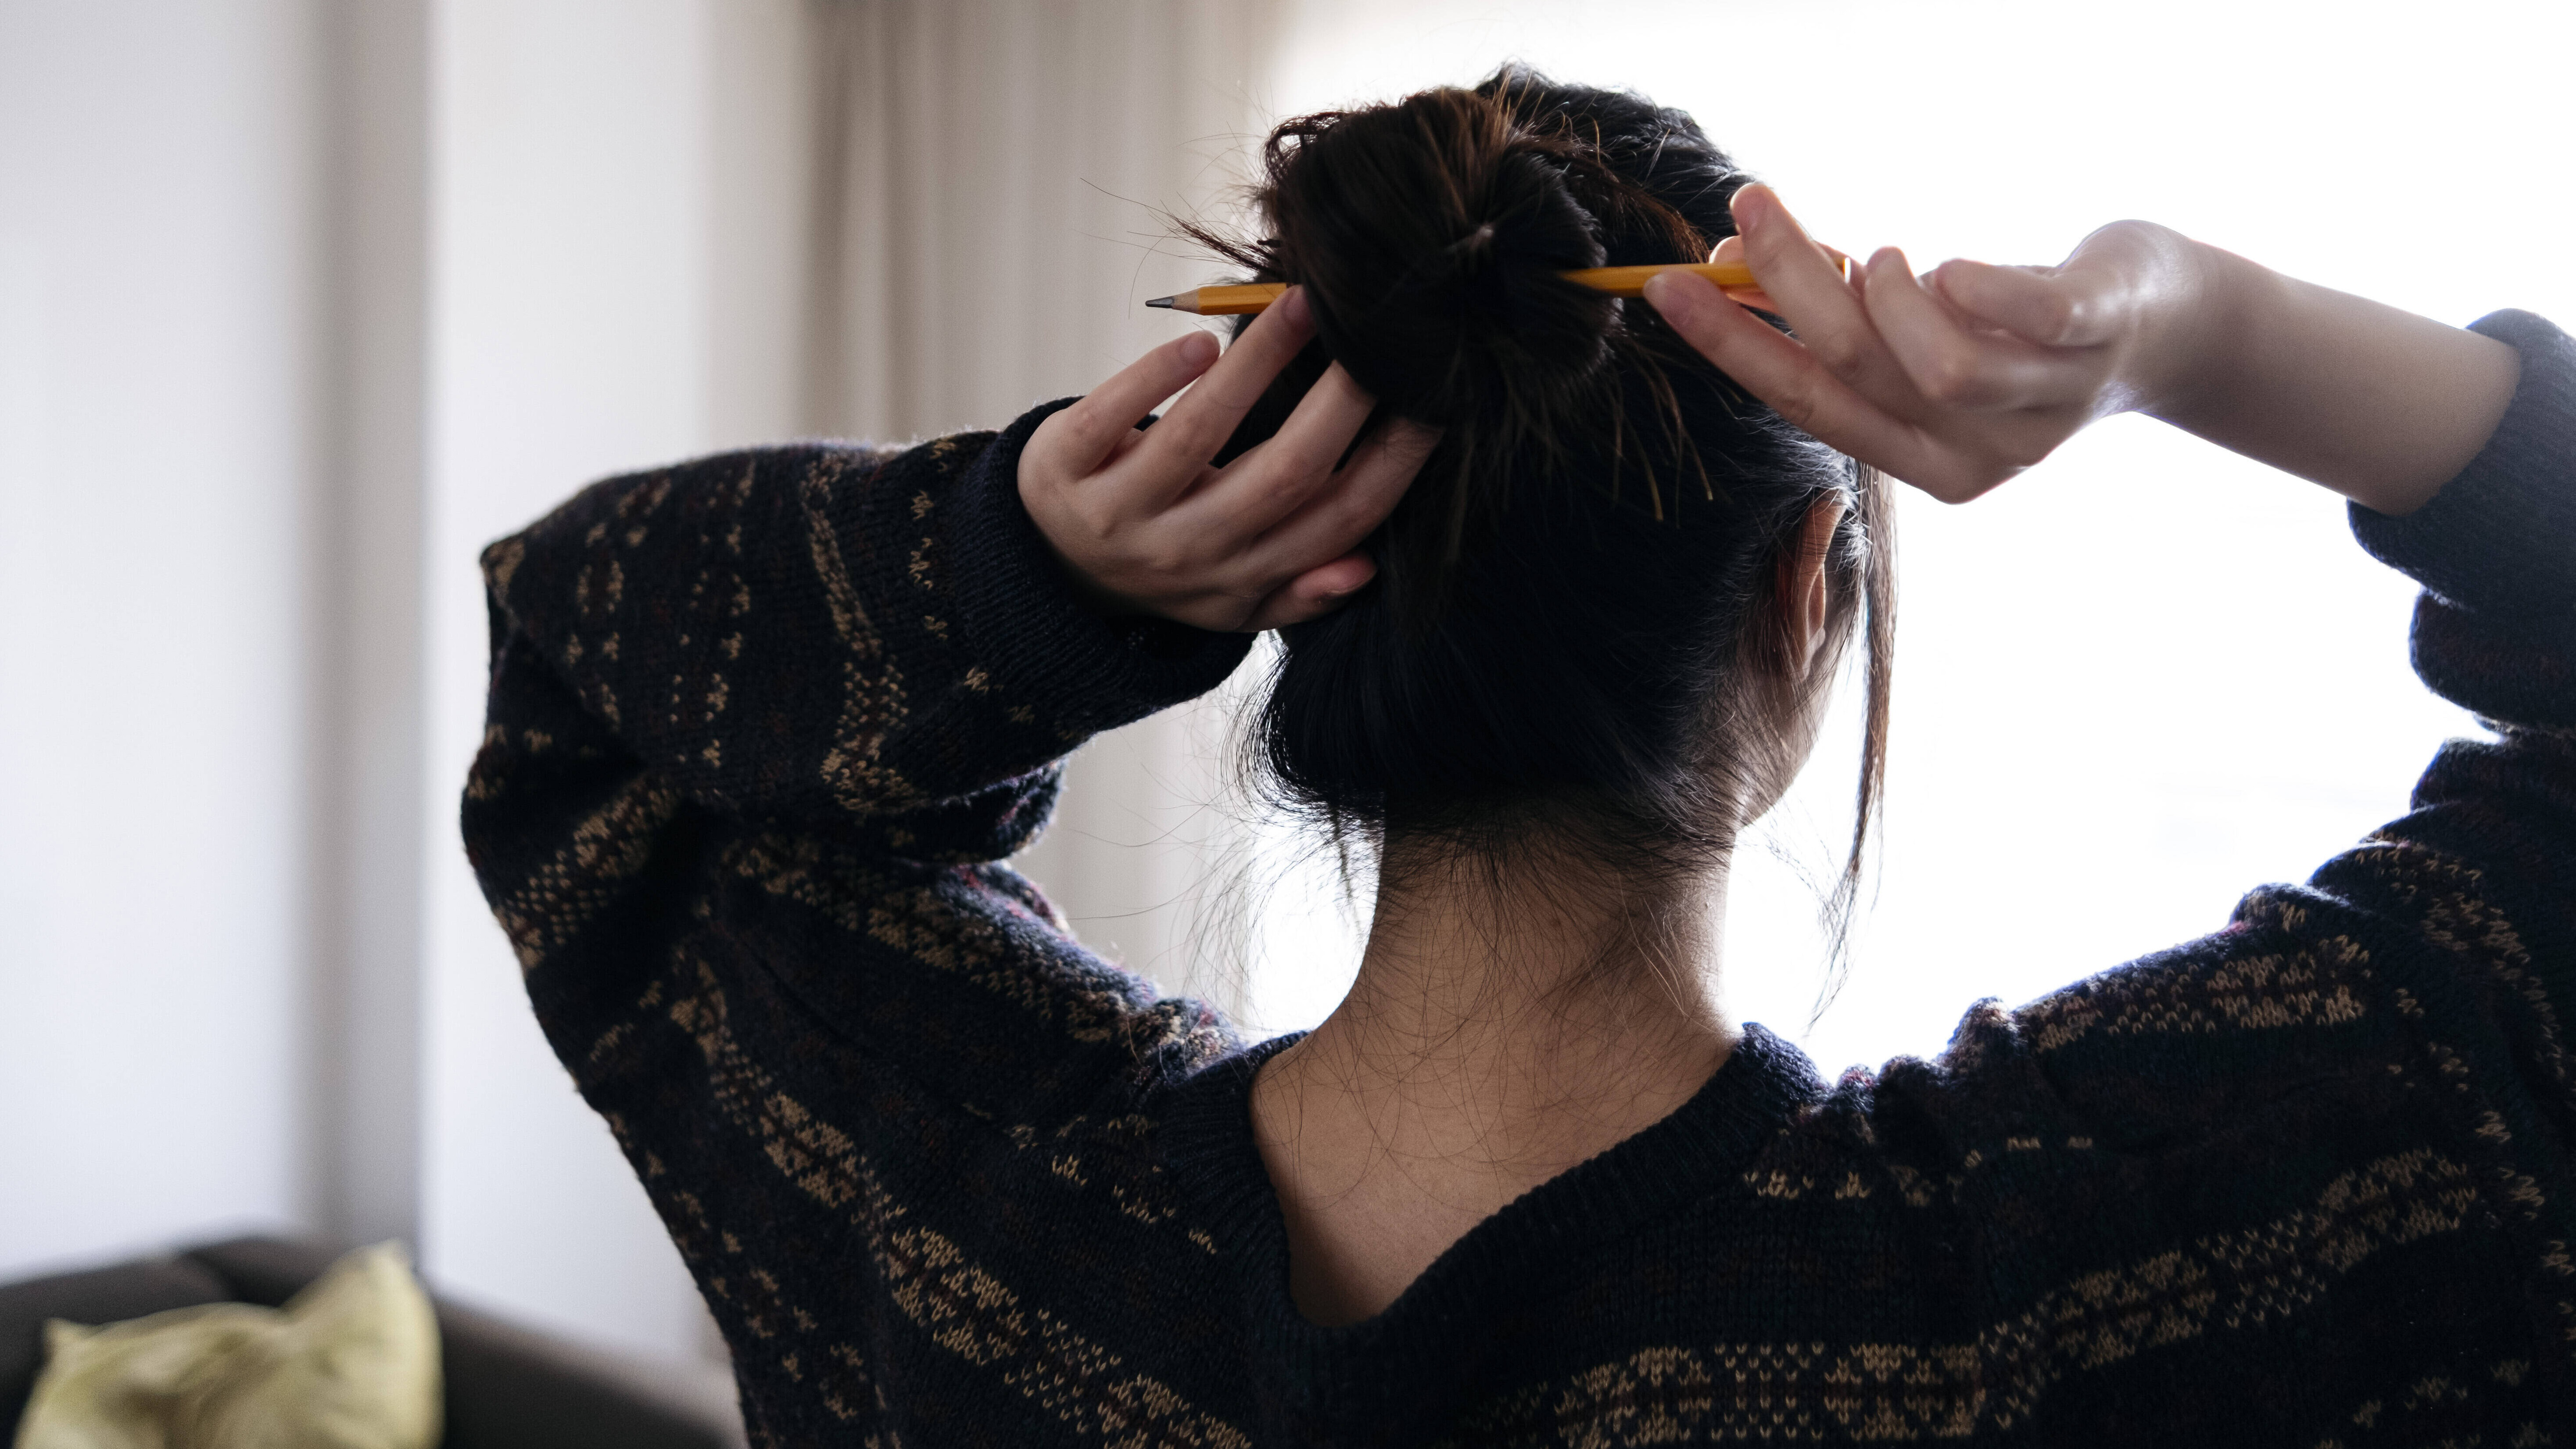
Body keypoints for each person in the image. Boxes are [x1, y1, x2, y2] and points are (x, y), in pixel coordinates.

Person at [462, 68, 2572, 1445]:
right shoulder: (2090, 1280)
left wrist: (1018, 566)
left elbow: (579, 659)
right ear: (1800, 600)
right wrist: (2194, 321)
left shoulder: (962, 1210)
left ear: (1301, 577)